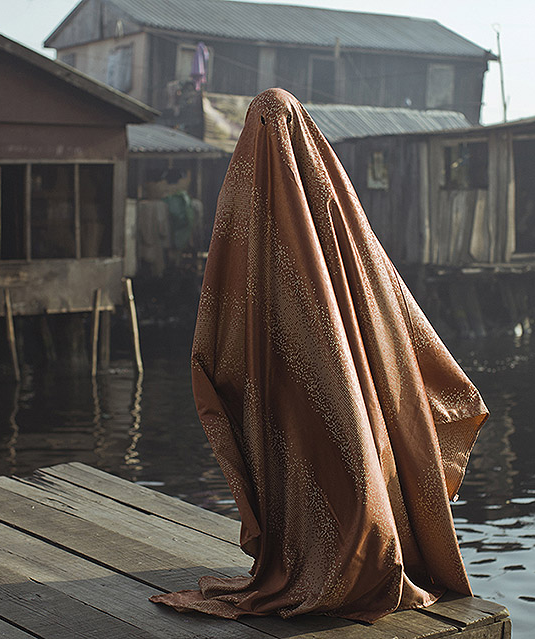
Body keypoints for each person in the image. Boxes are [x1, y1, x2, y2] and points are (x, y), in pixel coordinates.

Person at [149, 89, 488, 623]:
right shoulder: (332, 200)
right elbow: (380, 288)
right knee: (352, 443)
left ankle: (317, 557)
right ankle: (365, 547)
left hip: (276, 367)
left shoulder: (246, 194)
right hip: (342, 368)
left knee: (298, 451)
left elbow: (222, 296)